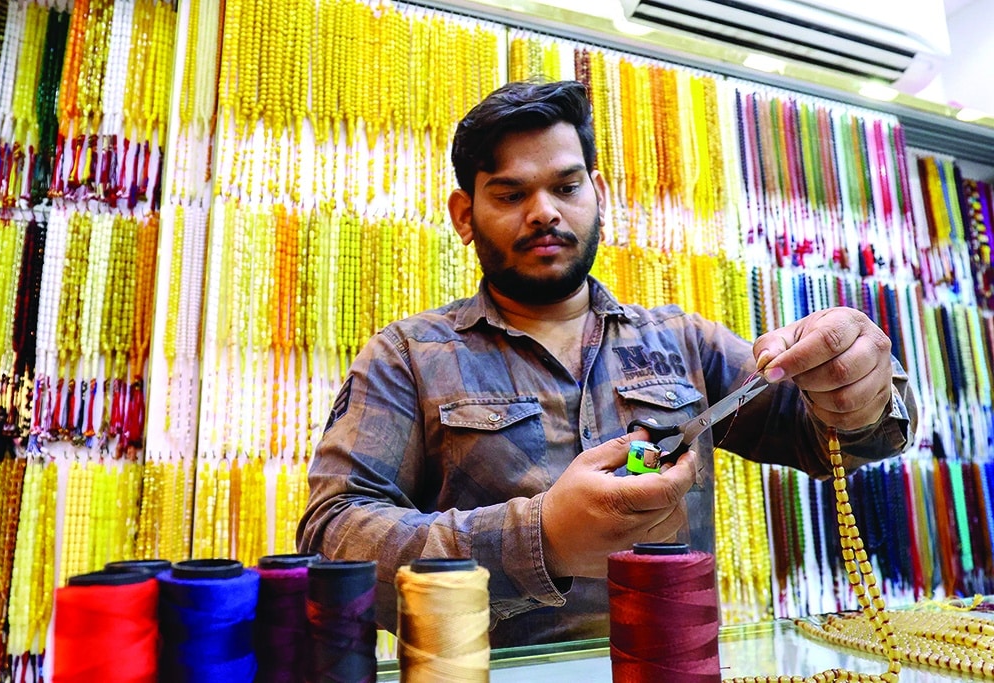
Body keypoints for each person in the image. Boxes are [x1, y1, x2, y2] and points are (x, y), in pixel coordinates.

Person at [296, 80, 916, 648]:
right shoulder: (408, 356)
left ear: (599, 194)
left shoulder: (683, 340)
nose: (544, 212)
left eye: (566, 187)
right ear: (465, 215)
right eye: (511, 193)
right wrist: (541, 538)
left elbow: (826, 436)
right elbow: (332, 541)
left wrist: (855, 390)